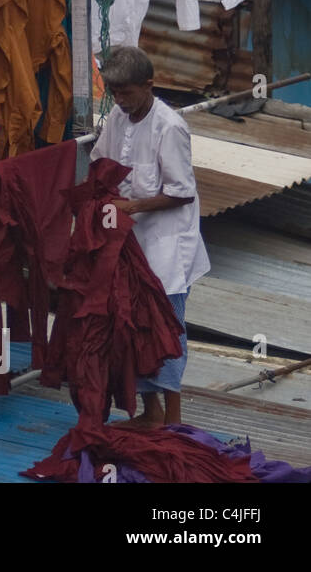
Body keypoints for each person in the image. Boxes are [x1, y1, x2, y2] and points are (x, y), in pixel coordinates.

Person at [90, 45, 210, 427]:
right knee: (133, 326)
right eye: (115, 93)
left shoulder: (170, 126)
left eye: (126, 92)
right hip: (131, 246)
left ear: (148, 85)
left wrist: (131, 207)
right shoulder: (117, 118)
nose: (120, 100)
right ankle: (151, 413)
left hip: (168, 249)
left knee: (166, 329)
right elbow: (101, 163)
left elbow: (182, 192)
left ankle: (173, 419)